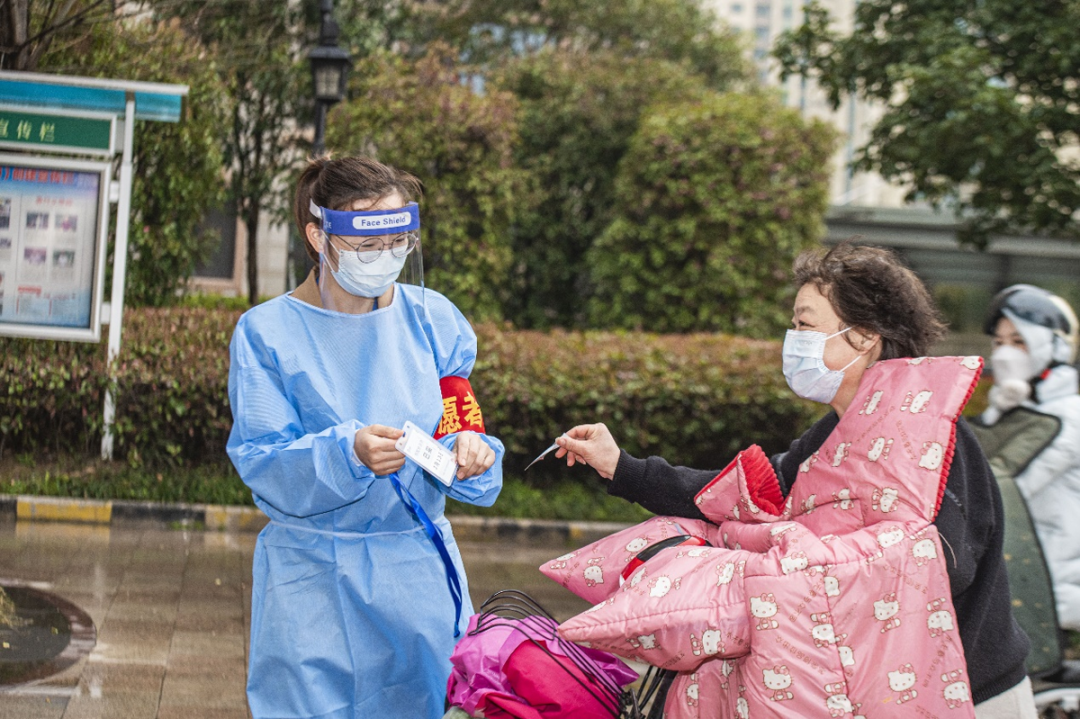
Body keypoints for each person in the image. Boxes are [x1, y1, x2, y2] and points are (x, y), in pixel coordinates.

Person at [554, 242, 1036, 717]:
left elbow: (943, 564)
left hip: (972, 693)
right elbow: (744, 499)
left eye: (806, 325)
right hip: (884, 692)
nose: (793, 338)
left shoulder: (930, 430)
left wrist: (789, 569)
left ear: (864, 335)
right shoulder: (832, 434)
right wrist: (621, 466)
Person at [227, 155, 504, 719]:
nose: (386, 257)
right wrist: (344, 453)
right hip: (312, 582)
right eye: (368, 244)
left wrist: (473, 452)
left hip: (417, 578)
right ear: (319, 235)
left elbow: (461, 419)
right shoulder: (266, 334)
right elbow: (263, 460)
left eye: (399, 242)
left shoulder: (433, 322)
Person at [971, 285, 1080, 632]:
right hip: (1022, 581)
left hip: (1052, 586)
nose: (1006, 353)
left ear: (1055, 347)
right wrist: (998, 410)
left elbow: (1002, 486)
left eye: (1019, 342)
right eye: (999, 342)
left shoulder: (1067, 417)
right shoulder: (1020, 410)